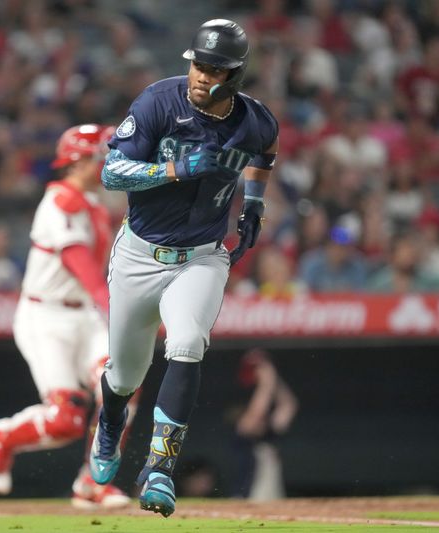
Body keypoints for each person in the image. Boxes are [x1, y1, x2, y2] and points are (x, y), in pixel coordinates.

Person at [88, 20, 279, 518]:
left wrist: (253, 205)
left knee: (188, 342)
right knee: (126, 375)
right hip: (138, 253)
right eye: (198, 63)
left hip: (201, 255)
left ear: (235, 75)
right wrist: (175, 168)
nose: (201, 74)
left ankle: (159, 468)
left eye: (214, 68)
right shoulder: (158, 101)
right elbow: (111, 172)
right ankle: (110, 424)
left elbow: (266, 153)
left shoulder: (255, 120)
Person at [0, 124, 138, 509]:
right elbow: (81, 266)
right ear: (79, 161)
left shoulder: (95, 202)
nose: (107, 161)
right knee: (65, 420)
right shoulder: (59, 202)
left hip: (85, 315)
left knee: (121, 387)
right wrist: (118, 311)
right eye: (101, 155)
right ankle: (1, 438)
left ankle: (93, 482)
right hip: (46, 318)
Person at [231, 349, 297, 501]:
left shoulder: (268, 430)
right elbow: (255, 416)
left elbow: (289, 405)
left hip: (269, 487)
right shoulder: (241, 425)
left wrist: (273, 379)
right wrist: (267, 383)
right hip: (246, 492)